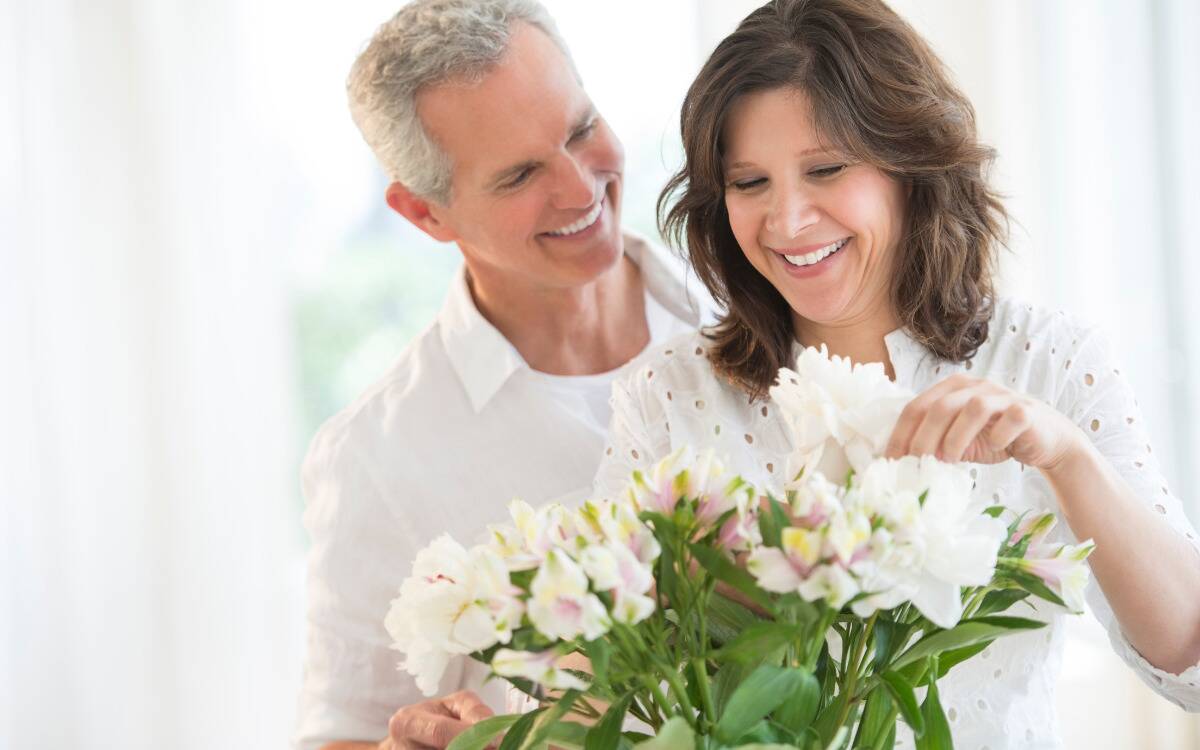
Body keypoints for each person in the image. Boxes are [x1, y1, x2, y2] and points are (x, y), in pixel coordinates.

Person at [593, 0, 1200, 747]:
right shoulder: (666, 395)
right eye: (749, 183)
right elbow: (608, 685)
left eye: (825, 169)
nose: (786, 221)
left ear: (911, 166)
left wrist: (1069, 457)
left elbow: (1188, 661)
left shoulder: (1049, 361)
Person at [294, 2, 714, 749]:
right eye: (521, 174)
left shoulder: (750, 312)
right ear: (425, 214)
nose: (581, 189)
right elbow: (341, 732)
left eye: (581, 129)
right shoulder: (377, 457)